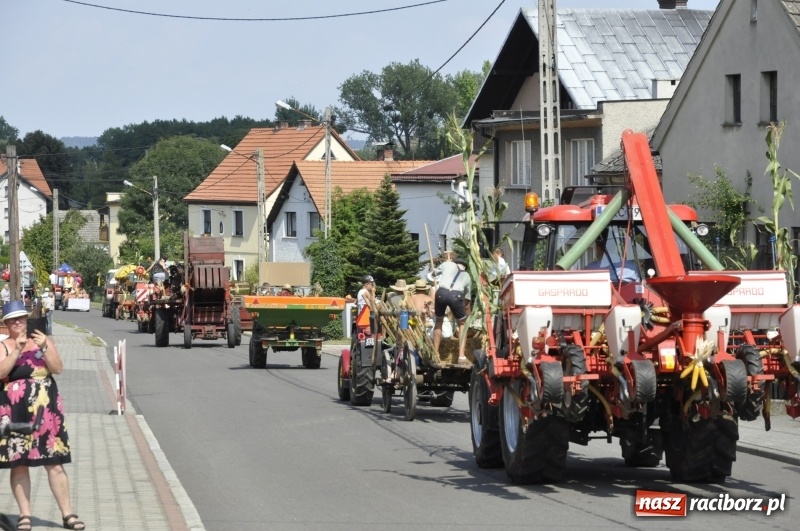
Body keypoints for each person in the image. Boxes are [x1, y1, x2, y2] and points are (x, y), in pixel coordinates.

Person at [0, 300, 85, 531]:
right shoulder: (4, 345)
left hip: (46, 410)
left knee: (54, 463)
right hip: (15, 410)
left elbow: (58, 368)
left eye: (22, 318)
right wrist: (17, 349)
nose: (18, 322)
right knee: (19, 465)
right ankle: (24, 515)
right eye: (13, 319)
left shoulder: (42, 341)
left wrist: (44, 347)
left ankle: (68, 515)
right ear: (6, 323)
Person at [430, 257, 471, 356]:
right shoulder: (467, 276)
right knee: (462, 324)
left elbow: (433, 274)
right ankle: (461, 356)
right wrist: (467, 313)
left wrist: (434, 272)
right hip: (456, 296)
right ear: (464, 268)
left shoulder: (447, 264)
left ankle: (436, 352)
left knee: (439, 321)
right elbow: (467, 300)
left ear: (455, 263)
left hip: (441, 293)